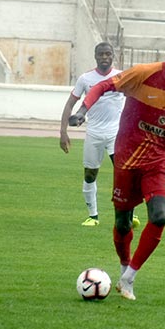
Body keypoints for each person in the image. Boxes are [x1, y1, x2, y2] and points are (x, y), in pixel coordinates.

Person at [68, 33, 165, 301]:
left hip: (159, 162)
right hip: (127, 158)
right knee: (122, 224)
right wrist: (83, 111)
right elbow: (103, 86)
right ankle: (123, 266)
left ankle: (129, 277)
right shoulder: (144, 73)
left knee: (159, 216)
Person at [60, 42, 132, 227]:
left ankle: (130, 214)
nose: (104, 57)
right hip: (93, 134)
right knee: (90, 175)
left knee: (124, 174)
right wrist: (63, 132)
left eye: (108, 54)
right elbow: (70, 104)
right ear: (95, 56)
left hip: (116, 133)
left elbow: (134, 100)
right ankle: (93, 216)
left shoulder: (121, 77)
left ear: (113, 55)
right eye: (101, 54)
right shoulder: (85, 79)